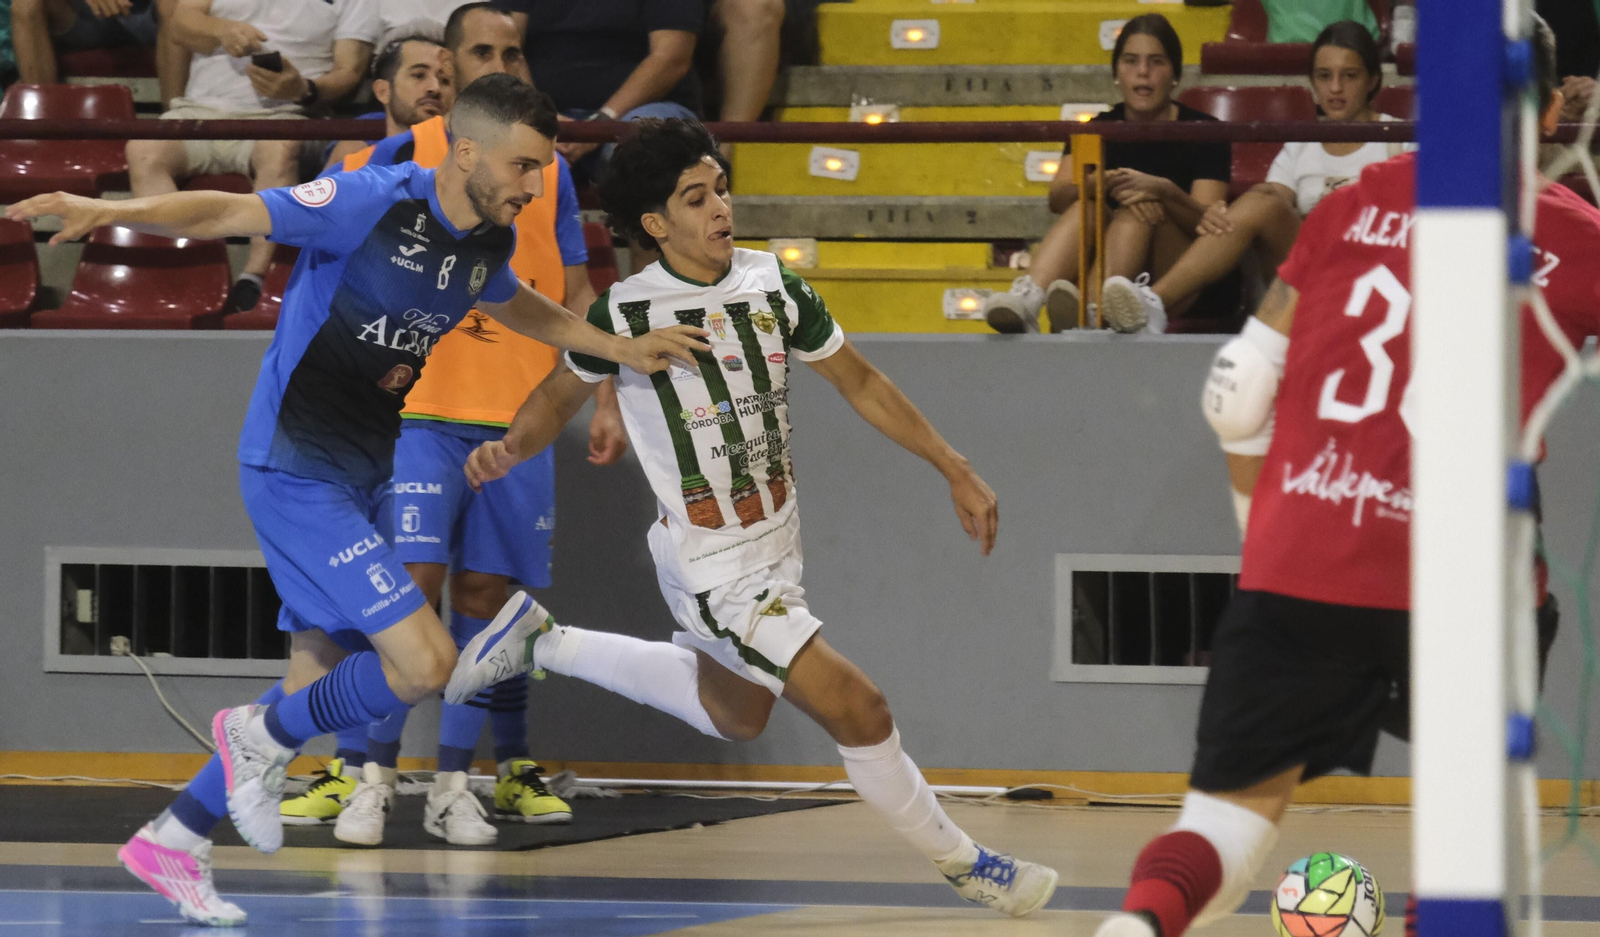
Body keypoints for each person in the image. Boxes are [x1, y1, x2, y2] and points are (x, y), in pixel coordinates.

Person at [6, 74, 708, 927]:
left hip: (364, 471)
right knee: (426, 663)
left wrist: (616, 349)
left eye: (544, 167)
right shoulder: (368, 200)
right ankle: (254, 739)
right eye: (524, 165)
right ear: (467, 150)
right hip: (297, 472)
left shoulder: (486, 238)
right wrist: (109, 208)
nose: (537, 184)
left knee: (312, 676)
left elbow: (523, 307)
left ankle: (174, 837)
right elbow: (228, 212)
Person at [442, 116, 1060, 919]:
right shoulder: (628, 312)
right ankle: (968, 863)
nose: (720, 208)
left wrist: (955, 465)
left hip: (775, 550)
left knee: (735, 713)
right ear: (656, 223)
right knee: (861, 707)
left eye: (722, 190)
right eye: (696, 198)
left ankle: (544, 640)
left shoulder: (772, 282)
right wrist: (509, 448)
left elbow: (862, 381)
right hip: (714, 567)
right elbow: (559, 394)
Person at [1092, 17, 1584, 937]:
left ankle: (1133, 927)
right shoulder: (1575, 235)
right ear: (1553, 108)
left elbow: (1237, 391)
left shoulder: (1351, 204)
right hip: (1465, 575)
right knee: (1470, 844)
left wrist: (1267, 538)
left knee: (1224, 828)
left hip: (1304, 550)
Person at [281, 46, 620, 847]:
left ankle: (454, 785)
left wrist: (604, 390)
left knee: (488, 602)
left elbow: (572, 289)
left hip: (517, 415)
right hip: (414, 413)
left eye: (512, 50)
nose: (499, 62)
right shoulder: (384, 162)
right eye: (479, 51)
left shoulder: (546, 169)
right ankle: (368, 777)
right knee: (403, 596)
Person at [1101, 21, 1409, 334]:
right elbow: (1270, 206)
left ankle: (1155, 302)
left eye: (1350, 76)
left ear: (1373, 80)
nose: (1335, 88)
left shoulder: (1402, 139)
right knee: (1262, 199)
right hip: (1313, 269)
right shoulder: (1302, 144)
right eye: (1324, 76)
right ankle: (1151, 304)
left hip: (1373, 268)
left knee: (1262, 202)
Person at [982, 13, 1230, 334]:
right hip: (1113, 261)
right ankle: (1031, 298)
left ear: (1175, 75)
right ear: (1116, 73)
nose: (1143, 72)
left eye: (1156, 62)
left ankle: (1091, 312)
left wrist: (1163, 192)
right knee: (1087, 205)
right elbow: (1057, 198)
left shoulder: (1205, 131)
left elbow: (1209, 225)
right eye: (1131, 61)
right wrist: (1096, 185)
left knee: (1138, 211)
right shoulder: (1095, 130)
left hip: (1178, 276)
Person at [128, 0, 380, 315]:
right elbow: (180, 22)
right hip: (199, 111)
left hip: (286, 115)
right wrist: (221, 30)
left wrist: (303, 89)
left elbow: (349, 71)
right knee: (143, 148)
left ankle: (255, 277)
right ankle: (180, 268)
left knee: (280, 148)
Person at [504, 0, 702, 178]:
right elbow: (504, 46)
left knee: (641, 147)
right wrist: (540, 115)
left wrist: (602, 122)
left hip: (646, 111)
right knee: (503, 143)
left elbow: (672, 58)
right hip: (542, 113)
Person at [322, 32, 452, 171]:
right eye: (419, 75)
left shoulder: (465, 157)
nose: (435, 88)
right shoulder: (355, 161)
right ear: (383, 91)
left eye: (445, 80)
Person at [10, 0, 157, 84]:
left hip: (150, 16)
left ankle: (170, 120)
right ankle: (41, 119)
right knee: (25, 4)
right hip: (85, 17)